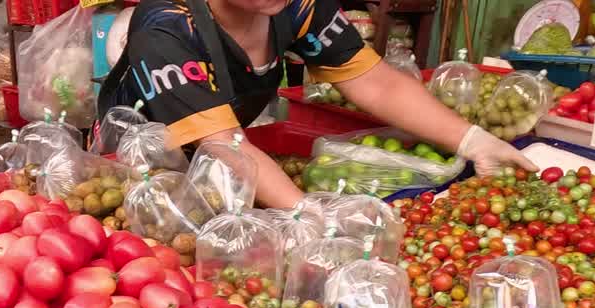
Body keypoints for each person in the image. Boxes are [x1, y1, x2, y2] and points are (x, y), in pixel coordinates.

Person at [98, 0, 538, 209]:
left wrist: (471, 139)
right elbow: (224, 145)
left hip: (226, 159)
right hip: (137, 171)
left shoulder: (296, 7)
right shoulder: (167, 26)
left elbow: (377, 83)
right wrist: (308, 213)